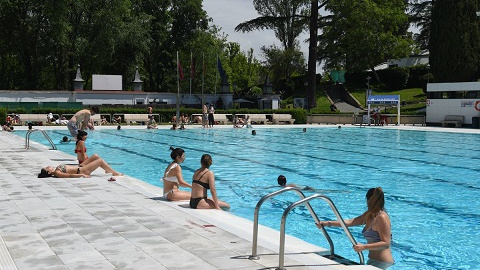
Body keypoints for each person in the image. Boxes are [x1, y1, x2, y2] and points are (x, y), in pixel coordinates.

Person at [316, 187, 394, 269]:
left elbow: (386, 243)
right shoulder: (369, 215)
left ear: (371, 200)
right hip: (372, 260)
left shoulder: (382, 217)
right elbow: (350, 222)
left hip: (382, 263)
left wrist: (364, 247)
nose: (367, 204)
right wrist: (327, 223)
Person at [38, 158, 123, 178]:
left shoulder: (57, 170)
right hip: (83, 171)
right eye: (47, 168)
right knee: (100, 161)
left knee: (96, 156)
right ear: (49, 172)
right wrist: (82, 175)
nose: (48, 166)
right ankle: (113, 172)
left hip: (81, 167)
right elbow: (69, 175)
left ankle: (107, 169)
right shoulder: (57, 172)